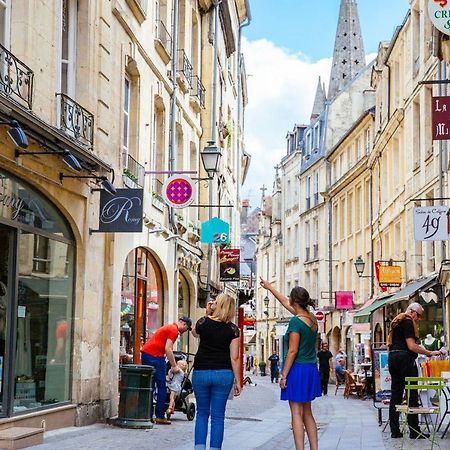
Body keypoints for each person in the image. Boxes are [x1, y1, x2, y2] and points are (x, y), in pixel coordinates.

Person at [260, 277, 320, 450]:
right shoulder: (312, 319)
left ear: (295, 301)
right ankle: (314, 448)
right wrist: (270, 288)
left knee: (296, 412)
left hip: (298, 369)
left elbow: (292, 351)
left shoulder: (295, 321)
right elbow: (286, 302)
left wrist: (283, 375)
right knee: (308, 412)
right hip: (310, 368)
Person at [191, 294, 242, 450]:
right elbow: (235, 358)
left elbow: (194, 333)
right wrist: (239, 380)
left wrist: (207, 314)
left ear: (216, 305)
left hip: (201, 372)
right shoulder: (233, 329)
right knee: (218, 417)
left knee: (201, 414)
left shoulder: (203, 322)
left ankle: (199, 448)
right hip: (223, 373)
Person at [388, 302, 442, 439]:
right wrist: (430, 352)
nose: (418, 319)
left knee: (396, 395)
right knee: (412, 393)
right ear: (412, 312)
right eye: (418, 315)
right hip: (405, 359)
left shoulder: (396, 322)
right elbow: (411, 346)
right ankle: (414, 430)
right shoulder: (407, 322)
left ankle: (395, 431)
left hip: (393, 357)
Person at [141, 316, 192, 425]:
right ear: (183, 324)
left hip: (147, 353)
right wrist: (174, 365)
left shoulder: (169, 328)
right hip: (155, 356)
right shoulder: (174, 330)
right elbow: (168, 348)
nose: (185, 331)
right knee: (161, 386)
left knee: (150, 385)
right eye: (186, 328)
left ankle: (147, 415)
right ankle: (159, 415)